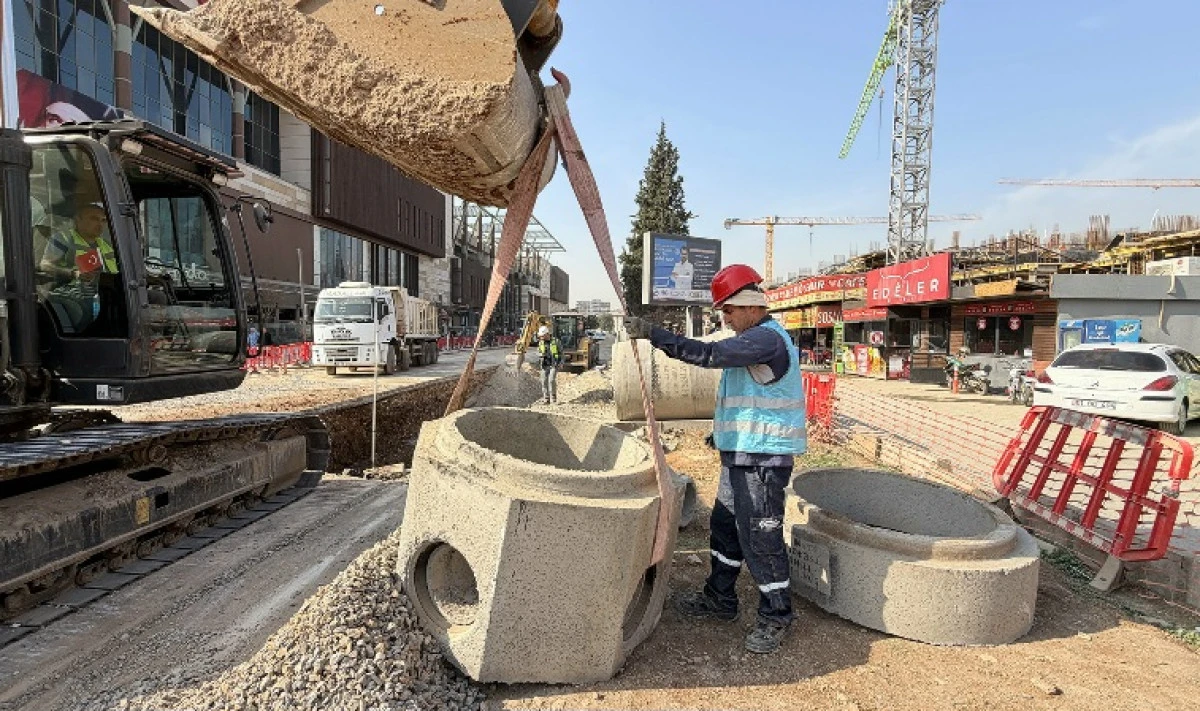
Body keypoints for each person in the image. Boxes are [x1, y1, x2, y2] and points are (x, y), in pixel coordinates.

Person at [625, 263, 805, 655]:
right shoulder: (752, 340)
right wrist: (721, 436)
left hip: (762, 461)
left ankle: (777, 615)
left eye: (729, 310)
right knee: (724, 527)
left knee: (761, 537)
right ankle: (720, 598)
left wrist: (652, 334)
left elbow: (707, 354)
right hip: (741, 454)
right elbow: (747, 400)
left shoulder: (766, 339)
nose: (725, 318)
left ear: (752, 306)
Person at [39, 201, 118, 333]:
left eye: (103, 220)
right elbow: (45, 265)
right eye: (94, 219)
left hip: (106, 292)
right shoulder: (63, 239)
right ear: (78, 220)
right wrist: (73, 273)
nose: (100, 224)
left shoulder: (107, 245)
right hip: (71, 294)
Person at [536, 324, 562, 404]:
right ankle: (546, 399)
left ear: (547, 334)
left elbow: (561, 353)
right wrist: (540, 354)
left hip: (554, 364)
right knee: (544, 381)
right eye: (541, 336)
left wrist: (561, 363)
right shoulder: (541, 343)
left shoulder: (556, 341)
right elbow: (538, 352)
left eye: (542, 336)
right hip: (544, 365)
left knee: (551, 380)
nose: (541, 337)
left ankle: (553, 398)